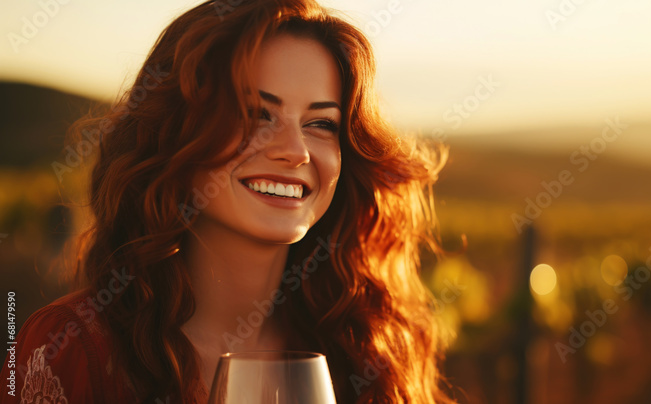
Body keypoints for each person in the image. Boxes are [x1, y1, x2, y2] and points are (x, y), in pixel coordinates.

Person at [2, 0, 454, 402]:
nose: (294, 151)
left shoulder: (367, 345)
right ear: (176, 133)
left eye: (321, 124)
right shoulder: (71, 348)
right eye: (257, 113)